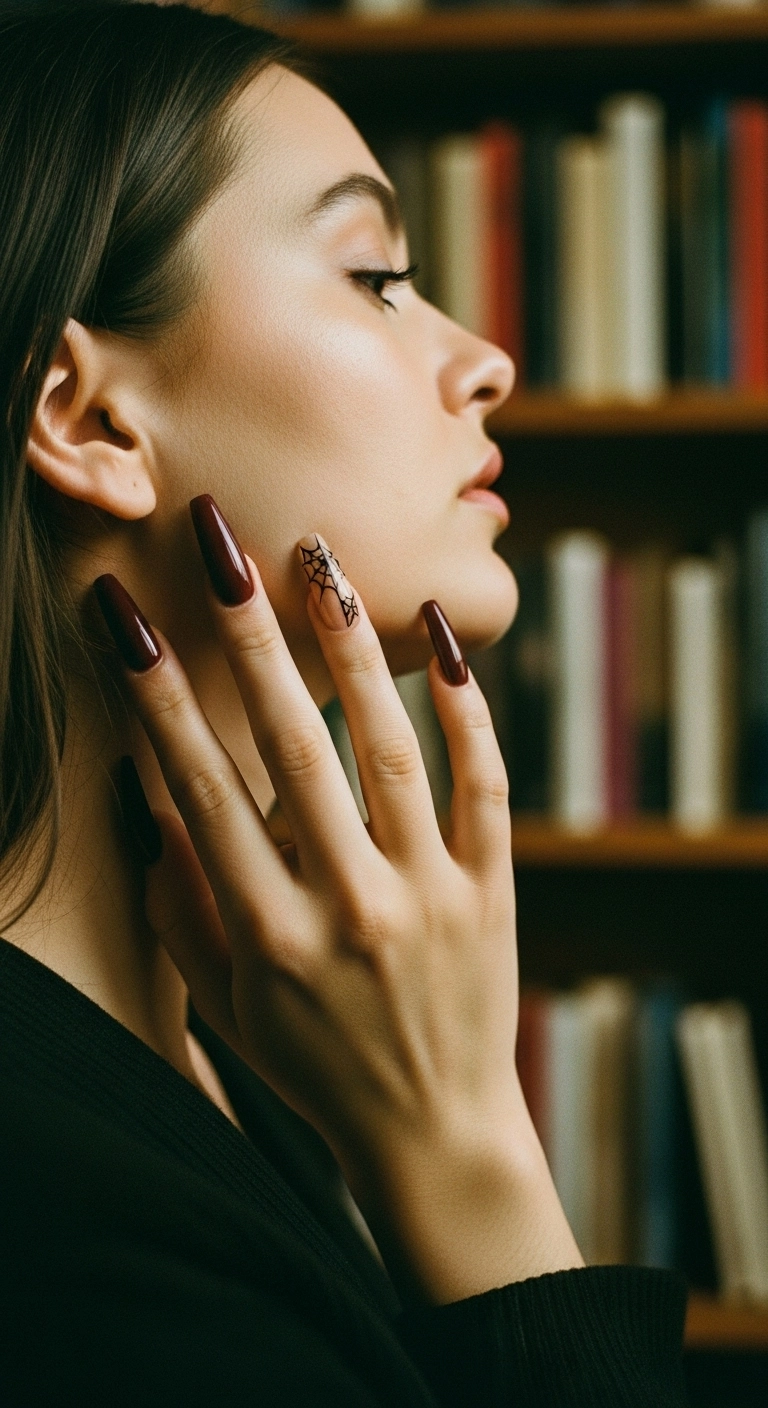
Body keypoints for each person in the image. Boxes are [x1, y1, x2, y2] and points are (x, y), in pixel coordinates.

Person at [0, 3, 687, 1403]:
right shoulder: (60, 1226)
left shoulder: (245, 1047)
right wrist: (469, 1158)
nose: (486, 362)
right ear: (87, 419)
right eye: (377, 275)